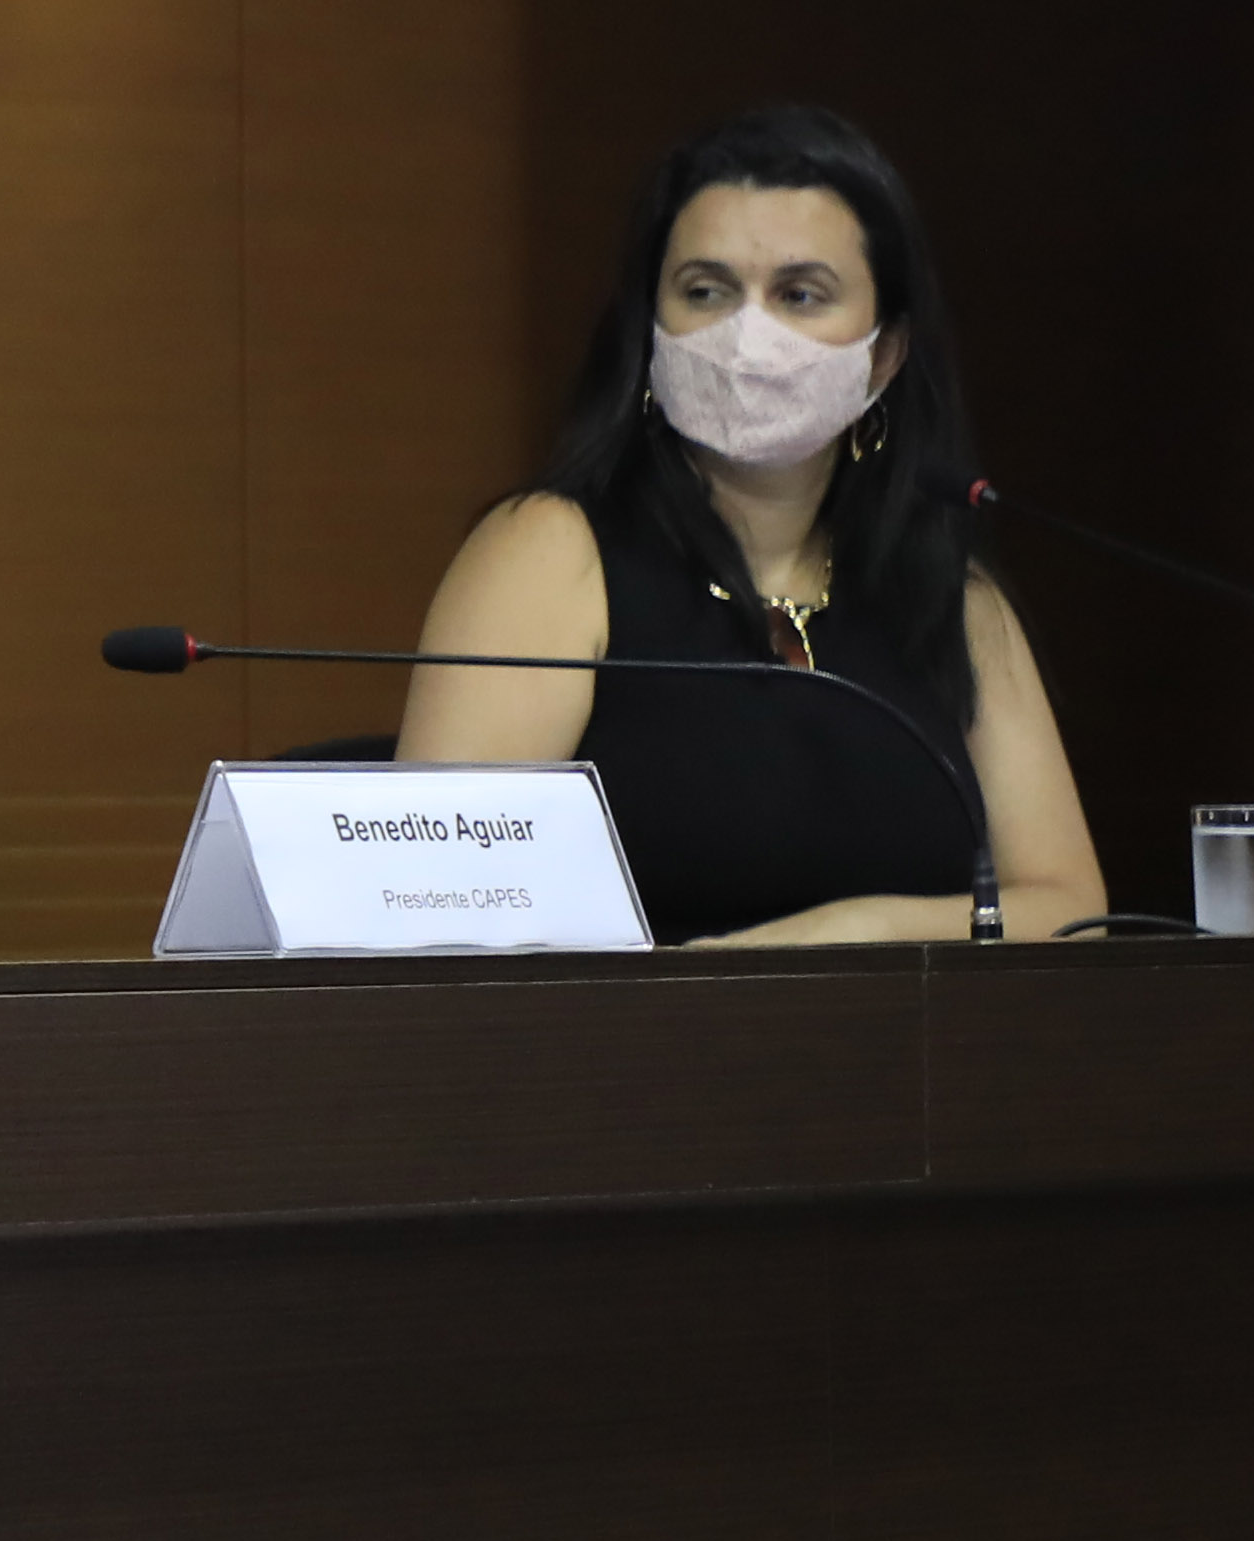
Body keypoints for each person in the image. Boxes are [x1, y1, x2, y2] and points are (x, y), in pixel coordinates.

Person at [397, 102, 1102, 943]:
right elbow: (434, 910)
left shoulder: (949, 599)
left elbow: (1071, 912)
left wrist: (858, 933)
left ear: (884, 354)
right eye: (706, 292)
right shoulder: (551, 555)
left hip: (902, 1031)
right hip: (630, 1031)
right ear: (651, 330)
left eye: (800, 294)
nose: (748, 336)